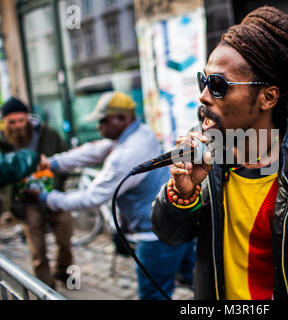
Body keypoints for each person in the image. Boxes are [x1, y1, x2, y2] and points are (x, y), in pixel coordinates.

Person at [151, 6, 288, 300]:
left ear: (268, 97)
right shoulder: (209, 156)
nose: (202, 95)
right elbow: (169, 234)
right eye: (204, 80)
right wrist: (183, 193)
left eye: (218, 85)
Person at [33, 91, 195, 299]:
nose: (99, 126)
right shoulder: (141, 132)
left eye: (103, 121)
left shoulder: (126, 155)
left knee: (153, 295)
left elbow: (93, 197)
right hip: (177, 224)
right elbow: (95, 150)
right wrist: (53, 163)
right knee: (196, 284)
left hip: (156, 236)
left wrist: (45, 198)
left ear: (122, 119)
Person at [0, 97, 72, 289]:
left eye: (20, 120)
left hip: (54, 198)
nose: (16, 126)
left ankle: (63, 271)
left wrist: (57, 183)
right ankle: (46, 290)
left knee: (65, 241)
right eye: (11, 122)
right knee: (38, 253)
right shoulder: (2, 142)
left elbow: (65, 159)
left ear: (28, 118)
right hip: (26, 204)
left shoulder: (48, 133)